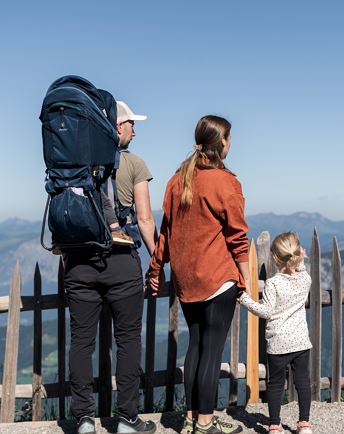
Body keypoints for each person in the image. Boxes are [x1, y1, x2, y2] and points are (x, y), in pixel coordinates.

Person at [147, 115, 249, 434]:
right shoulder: (225, 182)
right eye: (230, 139)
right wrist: (245, 278)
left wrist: (155, 270)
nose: (231, 144)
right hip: (217, 277)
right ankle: (205, 423)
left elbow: (166, 232)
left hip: (186, 279)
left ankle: (192, 417)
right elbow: (238, 236)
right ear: (221, 143)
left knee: (195, 346)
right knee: (212, 350)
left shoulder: (177, 180)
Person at [64, 101, 157, 434]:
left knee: (81, 342)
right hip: (120, 262)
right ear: (117, 128)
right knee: (128, 340)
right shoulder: (134, 164)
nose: (135, 129)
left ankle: (84, 419)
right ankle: (127, 419)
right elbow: (145, 219)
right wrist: (157, 260)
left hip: (79, 264)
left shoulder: (72, 162)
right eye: (131, 123)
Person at [239, 232, 313, 434]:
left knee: (275, 384)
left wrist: (245, 299)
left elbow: (266, 311)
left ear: (274, 258)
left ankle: (274, 425)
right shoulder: (306, 280)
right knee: (302, 382)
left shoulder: (273, 283)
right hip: (300, 342)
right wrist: (301, 262)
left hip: (278, 343)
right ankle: (304, 424)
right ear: (297, 254)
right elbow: (302, 270)